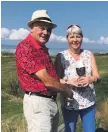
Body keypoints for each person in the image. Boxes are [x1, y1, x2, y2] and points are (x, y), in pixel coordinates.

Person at [15, 10, 73, 132]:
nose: (46, 32)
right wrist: (67, 91)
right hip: (39, 103)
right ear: (32, 27)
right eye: (42, 28)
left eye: (49, 30)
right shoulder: (26, 47)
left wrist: (65, 82)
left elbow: (51, 78)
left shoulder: (41, 49)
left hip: (48, 102)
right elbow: (47, 80)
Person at [54, 24, 101, 132]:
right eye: (72, 37)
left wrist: (91, 79)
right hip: (69, 104)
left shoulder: (89, 54)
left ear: (82, 38)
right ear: (67, 38)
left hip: (89, 103)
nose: (75, 40)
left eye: (78, 36)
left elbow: (97, 77)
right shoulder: (61, 56)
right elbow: (55, 81)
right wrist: (69, 81)